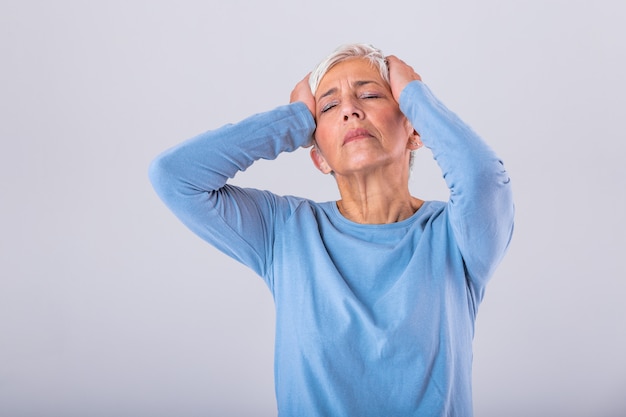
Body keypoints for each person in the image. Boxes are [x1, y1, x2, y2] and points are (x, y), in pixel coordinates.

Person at [149, 43, 514, 416]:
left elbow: (483, 178)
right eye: (327, 107)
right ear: (318, 157)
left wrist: (414, 93)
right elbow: (174, 176)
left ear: (414, 131)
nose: (350, 110)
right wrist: (292, 120)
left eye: (370, 95)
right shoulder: (285, 230)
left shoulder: (456, 235)